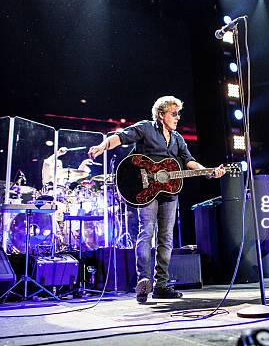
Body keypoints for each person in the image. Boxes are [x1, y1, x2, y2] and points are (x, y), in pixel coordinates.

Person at [89, 96, 226, 303]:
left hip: (169, 192)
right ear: (161, 114)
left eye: (178, 114)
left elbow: (189, 161)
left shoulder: (178, 139)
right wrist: (103, 146)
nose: (177, 118)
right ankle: (143, 281)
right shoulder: (146, 128)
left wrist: (208, 172)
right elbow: (121, 137)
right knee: (147, 232)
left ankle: (161, 285)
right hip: (145, 190)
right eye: (174, 113)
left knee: (166, 239)